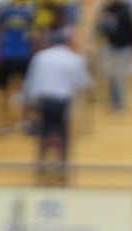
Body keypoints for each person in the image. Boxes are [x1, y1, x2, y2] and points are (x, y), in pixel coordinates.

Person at [24, 32, 91, 167]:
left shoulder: (40, 57)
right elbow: (83, 82)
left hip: (44, 100)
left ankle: (41, 160)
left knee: (44, 129)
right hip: (63, 101)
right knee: (63, 130)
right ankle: (63, 161)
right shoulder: (73, 58)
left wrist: (28, 102)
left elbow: (31, 81)